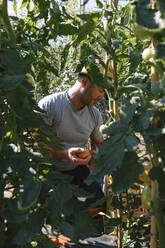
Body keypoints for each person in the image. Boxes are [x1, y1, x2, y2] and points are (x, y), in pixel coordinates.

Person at [38, 67, 106, 208]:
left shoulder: (94, 114)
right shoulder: (50, 105)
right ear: (85, 82)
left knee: (99, 204)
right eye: (100, 90)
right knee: (50, 209)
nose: (102, 97)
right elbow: (36, 147)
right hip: (47, 171)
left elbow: (99, 143)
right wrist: (65, 154)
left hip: (75, 169)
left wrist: (94, 155)